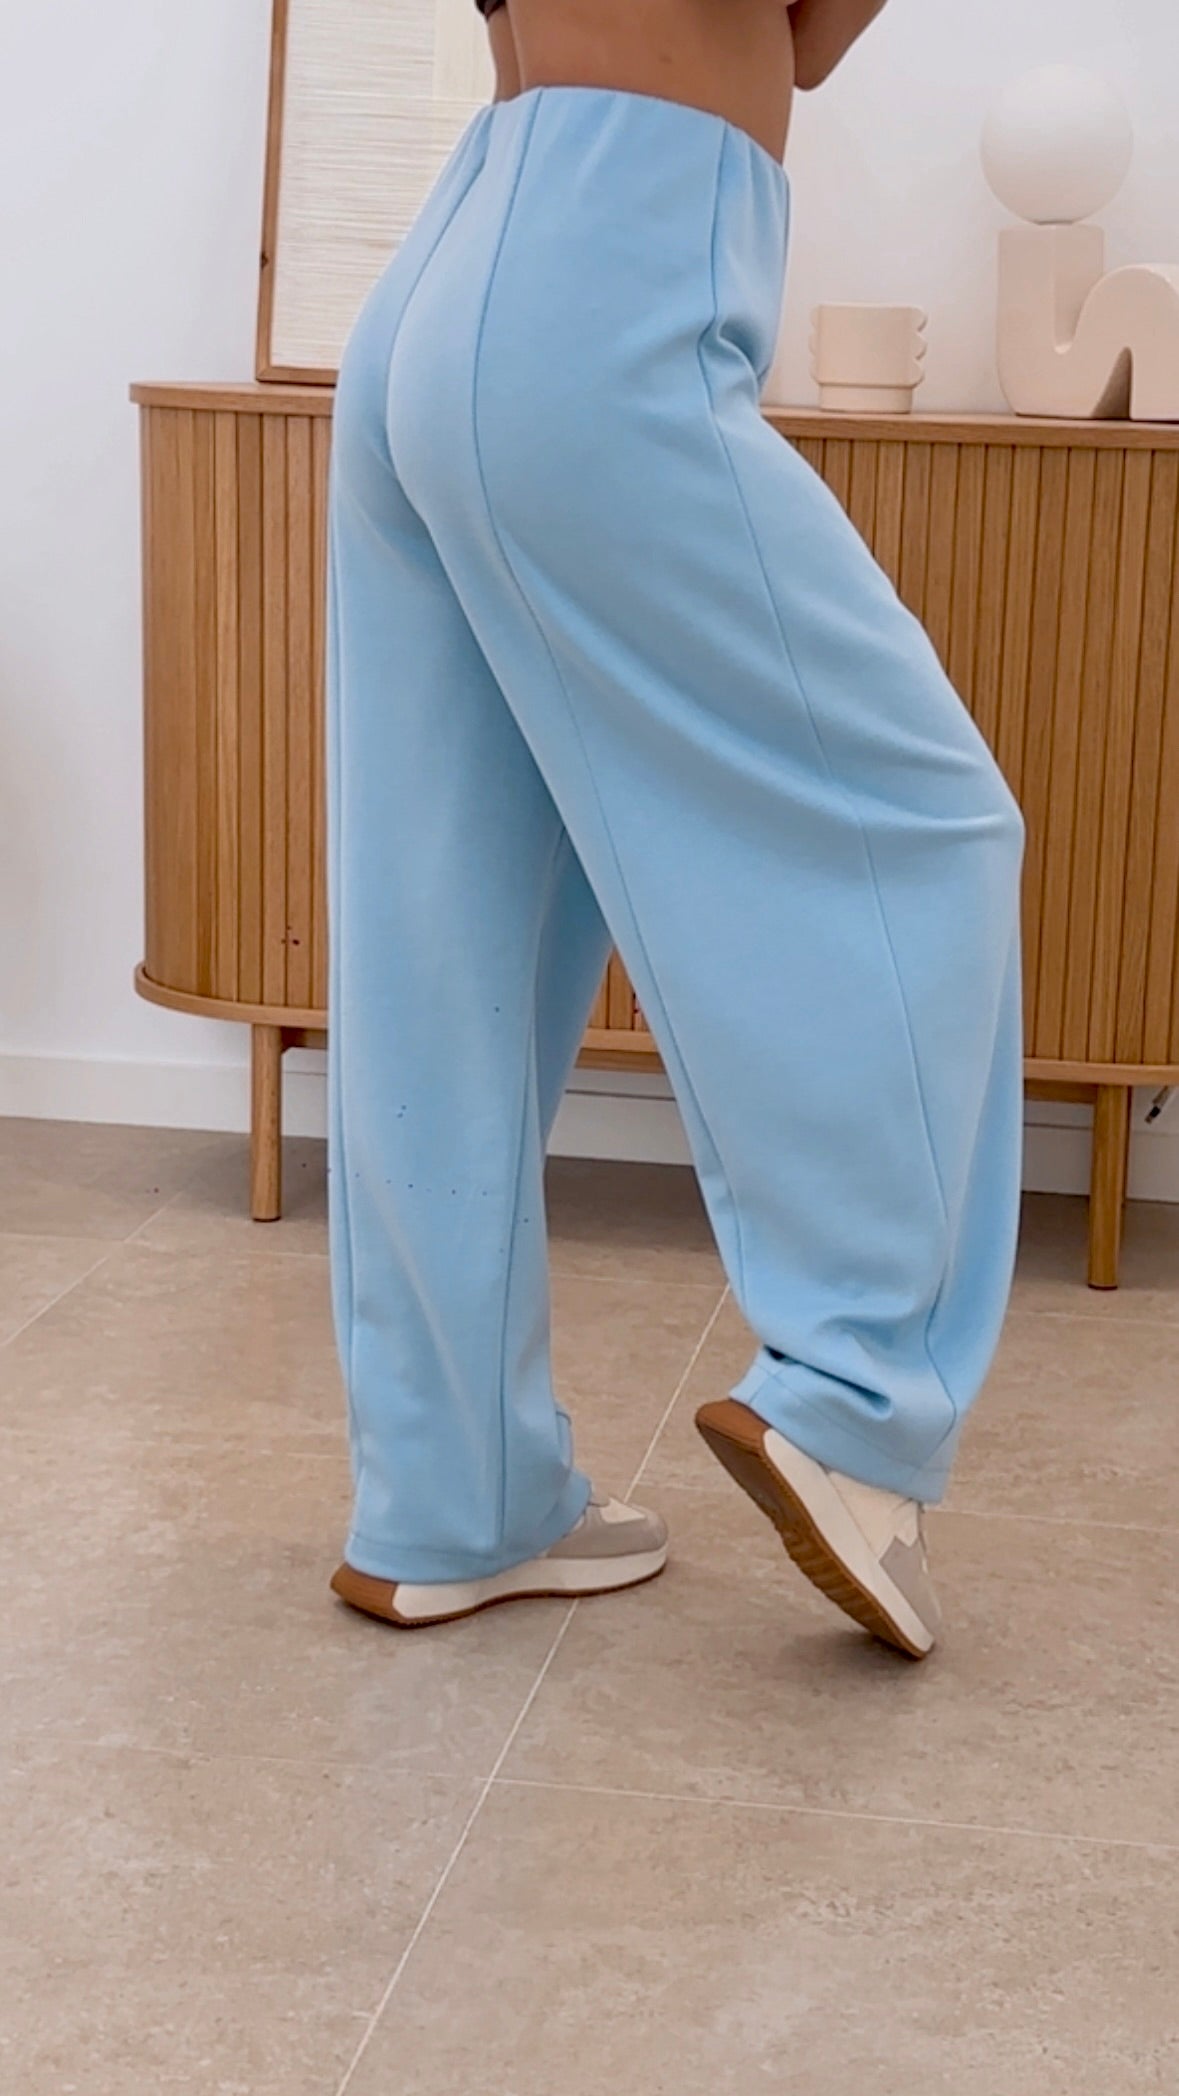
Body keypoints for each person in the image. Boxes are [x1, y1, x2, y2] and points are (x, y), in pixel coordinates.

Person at [324, 0, 1026, 1659]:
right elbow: (804, 37)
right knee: (928, 822)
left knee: (449, 935)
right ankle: (854, 1402)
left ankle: (452, 1498)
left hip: (446, 277)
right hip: (604, 278)